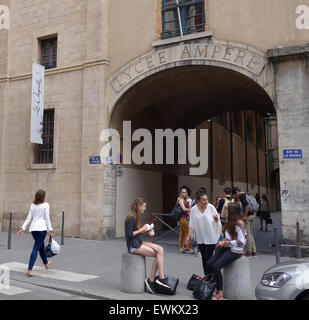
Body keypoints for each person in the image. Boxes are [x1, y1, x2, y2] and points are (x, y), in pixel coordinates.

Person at [124, 197, 171, 294]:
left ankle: (158, 278)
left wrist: (146, 231)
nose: (145, 208)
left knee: (160, 249)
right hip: (133, 246)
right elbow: (129, 234)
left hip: (138, 242)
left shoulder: (135, 215)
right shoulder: (130, 217)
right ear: (138, 206)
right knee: (156, 254)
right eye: (144, 206)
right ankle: (154, 280)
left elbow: (135, 233)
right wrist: (142, 229)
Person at [206, 202, 246, 300]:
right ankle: (211, 287)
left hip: (235, 250)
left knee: (216, 266)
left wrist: (226, 243)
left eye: (227, 209)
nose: (225, 210)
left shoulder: (239, 223)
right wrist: (223, 241)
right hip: (226, 246)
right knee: (209, 263)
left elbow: (241, 242)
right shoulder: (229, 221)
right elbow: (225, 236)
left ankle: (219, 292)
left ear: (231, 211)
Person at [17, 190, 54, 277]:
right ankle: (29, 270)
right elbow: (47, 218)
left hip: (34, 230)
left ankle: (46, 264)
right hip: (41, 230)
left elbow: (29, 218)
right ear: (43, 197)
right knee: (36, 249)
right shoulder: (46, 205)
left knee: (41, 247)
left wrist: (23, 228)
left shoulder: (32, 205)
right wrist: (50, 230)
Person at [186, 193, 222, 275]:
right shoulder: (194, 210)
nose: (206, 201)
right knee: (204, 258)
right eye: (204, 200)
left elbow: (218, 222)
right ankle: (207, 276)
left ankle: (211, 277)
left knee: (208, 258)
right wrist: (188, 236)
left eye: (207, 199)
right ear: (198, 201)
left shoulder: (211, 207)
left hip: (211, 236)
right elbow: (191, 224)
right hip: (201, 237)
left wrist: (216, 220)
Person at [232, 187, 257, 258]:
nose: (236, 196)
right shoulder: (247, 195)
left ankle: (249, 252)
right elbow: (255, 205)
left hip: (248, 216)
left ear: (237, 192)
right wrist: (254, 214)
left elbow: (247, 205)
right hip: (252, 215)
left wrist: (245, 215)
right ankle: (253, 252)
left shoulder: (242, 196)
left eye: (234, 194)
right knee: (250, 234)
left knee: (247, 234)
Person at [177, 186, 193, 253]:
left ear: (187, 193)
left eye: (185, 192)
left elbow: (189, 209)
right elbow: (184, 209)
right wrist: (191, 209)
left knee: (182, 233)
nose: (183, 193)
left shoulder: (188, 200)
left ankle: (181, 247)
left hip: (186, 217)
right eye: (182, 192)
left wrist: (189, 213)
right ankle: (189, 247)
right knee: (187, 232)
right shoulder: (180, 200)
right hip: (182, 217)